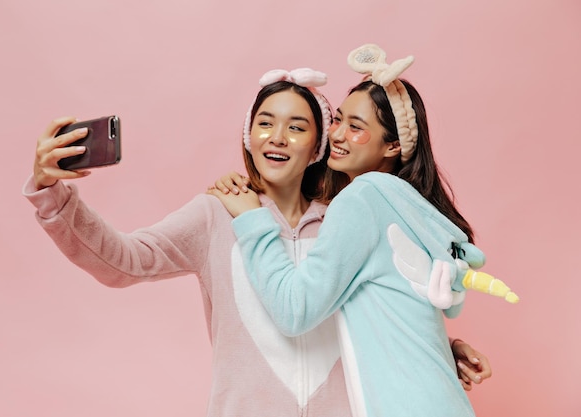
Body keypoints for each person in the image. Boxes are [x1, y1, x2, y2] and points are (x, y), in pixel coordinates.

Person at [24, 66, 488, 417]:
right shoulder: (216, 214)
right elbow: (121, 261)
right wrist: (53, 195)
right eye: (265, 123)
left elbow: (382, 309)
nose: (278, 137)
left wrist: (439, 350)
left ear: (319, 146)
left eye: (297, 127)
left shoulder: (346, 223)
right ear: (248, 137)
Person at [208, 44, 503, 417]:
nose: (338, 135)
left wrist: (252, 219)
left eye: (356, 127)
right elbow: (395, 313)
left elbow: (295, 310)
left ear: (393, 145)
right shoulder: (403, 207)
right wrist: (446, 350)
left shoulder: (361, 198)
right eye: (339, 120)